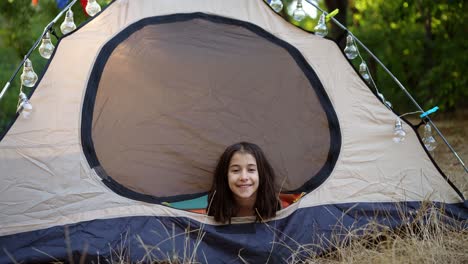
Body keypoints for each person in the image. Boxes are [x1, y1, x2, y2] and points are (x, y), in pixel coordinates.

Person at [207, 142, 280, 223]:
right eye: (236, 170)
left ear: (262, 175)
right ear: (225, 175)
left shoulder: (278, 207)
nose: (244, 177)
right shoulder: (215, 208)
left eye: (251, 170)